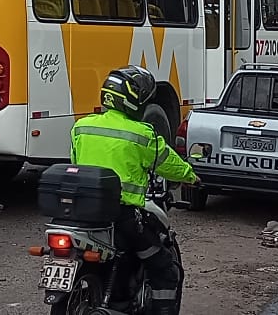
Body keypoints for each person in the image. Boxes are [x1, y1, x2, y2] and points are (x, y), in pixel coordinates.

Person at [70, 65, 200, 315]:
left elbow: (76, 164)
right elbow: (168, 164)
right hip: (121, 217)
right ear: (135, 101)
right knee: (163, 268)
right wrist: (191, 177)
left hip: (80, 215)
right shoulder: (141, 134)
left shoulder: (81, 127)